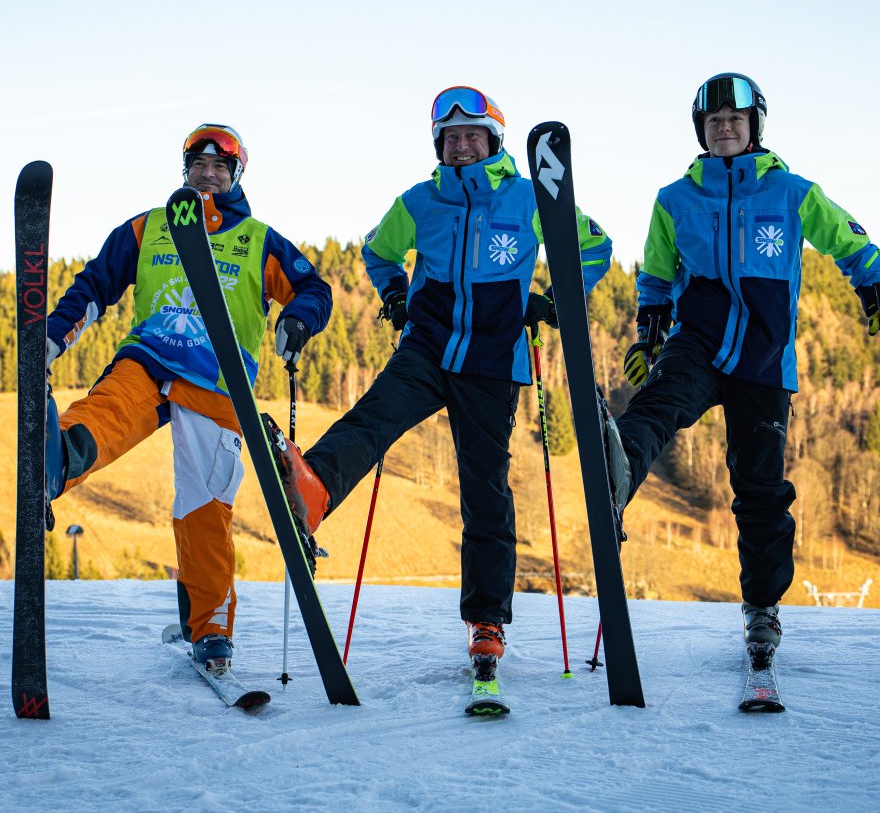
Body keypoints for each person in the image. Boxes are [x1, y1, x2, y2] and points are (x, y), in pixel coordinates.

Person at [276, 85, 612, 666]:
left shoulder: (529, 197)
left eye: (471, 137)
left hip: (493, 359)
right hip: (427, 345)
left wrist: (555, 299)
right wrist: (397, 295)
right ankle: (315, 489)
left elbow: (594, 247)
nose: (460, 146)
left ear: (493, 141)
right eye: (450, 138)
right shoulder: (418, 201)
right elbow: (377, 251)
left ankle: (487, 621)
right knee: (374, 417)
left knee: (485, 490)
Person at [44, 124, 332, 672]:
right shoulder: (148, 228)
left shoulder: (257, 239)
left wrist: (296, 321)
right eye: (196, 165)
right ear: (185, 172)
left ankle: (210, 628)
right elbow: (94, 286)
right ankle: (55, 461)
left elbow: (313, 289)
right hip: (150, 356)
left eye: (218, 167)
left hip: (218, 380)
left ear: (235, 175)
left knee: (202, 505)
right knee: (107, 412)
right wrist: (54, 338)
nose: (206, 173)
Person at [613, 73, 880, 657]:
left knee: (760, 491)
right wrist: (648, 329)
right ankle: (617, 474)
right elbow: (656, 273)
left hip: (764, 358)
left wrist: (873, 285)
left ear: (754, 126)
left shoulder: (791, 191)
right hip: (698, 342)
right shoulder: (675, 198)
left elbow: (849, 240)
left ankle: (762, 606)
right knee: (658, 404)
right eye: (714, 122)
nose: (725, 128)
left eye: (735, 119)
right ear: (701, 133)